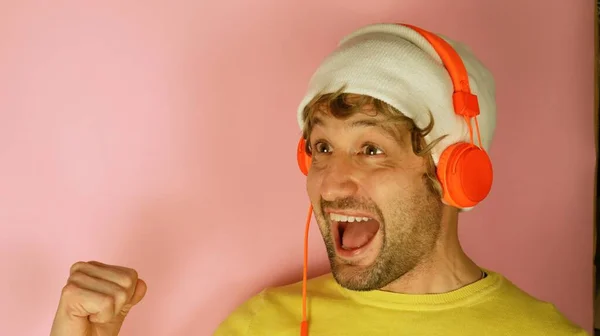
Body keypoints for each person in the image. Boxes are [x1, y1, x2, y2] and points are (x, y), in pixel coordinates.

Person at [49, 23, 588, 336]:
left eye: (371, 149)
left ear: (457, 174)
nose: (330, 184)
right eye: (322, 147)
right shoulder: (263, 325)